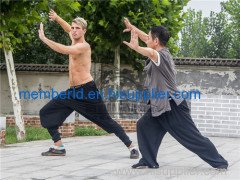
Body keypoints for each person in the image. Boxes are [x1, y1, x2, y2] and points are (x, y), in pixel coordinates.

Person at [123, 17, 228, 169]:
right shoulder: (160, 48)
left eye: (149, 37)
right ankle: (148, 160)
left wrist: (136, 48)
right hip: (160, 105)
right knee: (144, 125)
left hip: (173, 107)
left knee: (192, 138)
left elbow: (151, 52)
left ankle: (220, 162)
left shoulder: (162, 56)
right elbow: (148, 40)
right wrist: (133, 28)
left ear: (156, 41)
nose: (146, 38)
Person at [38, 10, 139, 159]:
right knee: (46, 112)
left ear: (84, 31)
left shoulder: (83, 46)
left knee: (106, 121)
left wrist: (45, 39)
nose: (73, 30)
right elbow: (67, 28)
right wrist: (58, 18)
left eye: (77, 28)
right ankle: (58, 146)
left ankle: (132, 147)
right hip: (72, 92)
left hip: (87, 90)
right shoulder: (73, 37)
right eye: (73, 28)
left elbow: (65, 50)